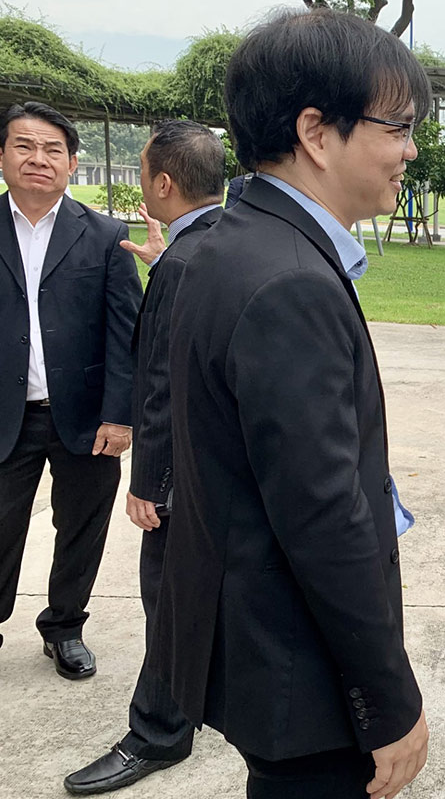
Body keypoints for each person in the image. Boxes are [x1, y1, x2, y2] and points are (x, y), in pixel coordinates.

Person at [145, 10, 431, 799]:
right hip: (302, 670)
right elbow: (322, 515)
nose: (409, 149)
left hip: (261, 647)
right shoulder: (292, 282)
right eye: (398, 126)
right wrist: (390, 700)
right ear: (315, 130)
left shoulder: (226, 244)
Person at [64, 119, 226, 795]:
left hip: (184, 475)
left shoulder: (188, 261)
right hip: (226, 470)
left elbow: (161, 384)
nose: (139, 186)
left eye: (141, 175)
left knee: (167, 597)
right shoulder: (226, 241)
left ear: (163, 182)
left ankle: (159, 731)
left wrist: (149, 485)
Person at [0, 101, 141, 674]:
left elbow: (125, 332)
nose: (39, 159)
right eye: (25, 146)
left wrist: (120, 414)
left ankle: (64, 626)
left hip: (86, 418)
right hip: (7, 414)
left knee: (82, 527)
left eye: (53, 149)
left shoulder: (105, 235)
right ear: (2, 155)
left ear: (73, 163)